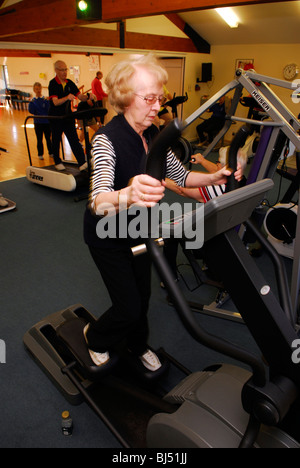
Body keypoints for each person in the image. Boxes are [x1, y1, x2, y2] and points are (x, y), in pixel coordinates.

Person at [83, 55, 241, 371]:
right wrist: (127, 194)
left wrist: (213, 177)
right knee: (127, 307)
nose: (158, 106)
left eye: (160, 98)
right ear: (127, 99)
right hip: (107, 238)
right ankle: (95, 338)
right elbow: (97, 201)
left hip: (140, 229)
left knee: (142, 300)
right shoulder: (106, 139)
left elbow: (181, 177)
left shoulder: (154, 136)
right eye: (150, 98)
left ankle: (137, 345)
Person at [48, 61, 96, 171]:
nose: (64, 72)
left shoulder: (69, 83)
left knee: (74, 139)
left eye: (65, 69)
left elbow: (80, 96)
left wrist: (89, 96)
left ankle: (82, 162)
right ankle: (57, 161)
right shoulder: (53, 84)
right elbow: (55, 102)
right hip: (56, 117)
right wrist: (66, 97)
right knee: (56, 139)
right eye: (61, 70)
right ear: (56, 70)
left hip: (67, 116)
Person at [28, 82, 53, 160]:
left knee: (48, 138)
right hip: (38, 122)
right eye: (36, 89)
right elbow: (32, 111)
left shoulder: (45, 100)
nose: (38, 90)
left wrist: (47, 101)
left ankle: (51, 152)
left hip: (46, 122)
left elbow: (48, 110)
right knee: (39, 139)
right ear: (34, 90)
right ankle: (40, 154)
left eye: (39, 89)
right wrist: (31, 103)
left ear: (41, 89)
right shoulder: (33, 101)